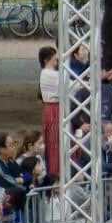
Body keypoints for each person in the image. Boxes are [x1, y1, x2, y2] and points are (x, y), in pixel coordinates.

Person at [37, 46, 62, 179]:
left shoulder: (50, 73)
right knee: (54, 142)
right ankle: (54, 173)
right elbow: (70, 84)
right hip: (53, 110)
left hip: (53, 109)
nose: (56, 58)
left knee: (56, 141)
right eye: (54, 56)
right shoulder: (48, 73)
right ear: (47, 59)